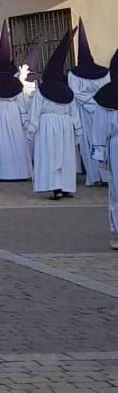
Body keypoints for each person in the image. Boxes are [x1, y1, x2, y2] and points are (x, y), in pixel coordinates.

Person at [26, 31, 81, 200]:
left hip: (47, 125)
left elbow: (35, 110)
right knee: (65, 155)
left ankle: (56, 187)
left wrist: (31, 129)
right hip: (65, 126)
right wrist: (78, 131)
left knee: (50, 155)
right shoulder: (68, 91)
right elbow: (74, 113)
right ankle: (66, 187)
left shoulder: (42, 91)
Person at [0, 22, 32, 181]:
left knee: (0, 142)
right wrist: (25, 120)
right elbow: (21, 102)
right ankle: (18, 172)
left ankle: (1, 173)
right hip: (12, 112)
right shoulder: (14, 82)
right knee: (15, 140)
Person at [69, 20, 109, 187]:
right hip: (101, 109)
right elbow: (106, 90)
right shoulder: (104, 72)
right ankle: (105, 176)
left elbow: (75, 92)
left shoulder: (74, 74)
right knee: (101, 140)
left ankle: (95, 177)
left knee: (89, 143)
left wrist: (87, 102)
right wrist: (95, 101)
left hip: (84, 111)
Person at [90, 49, 118, 250]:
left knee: (117, 190)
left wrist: (99, 153)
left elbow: (100, 126)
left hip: (116, 146)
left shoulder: (106, 95)